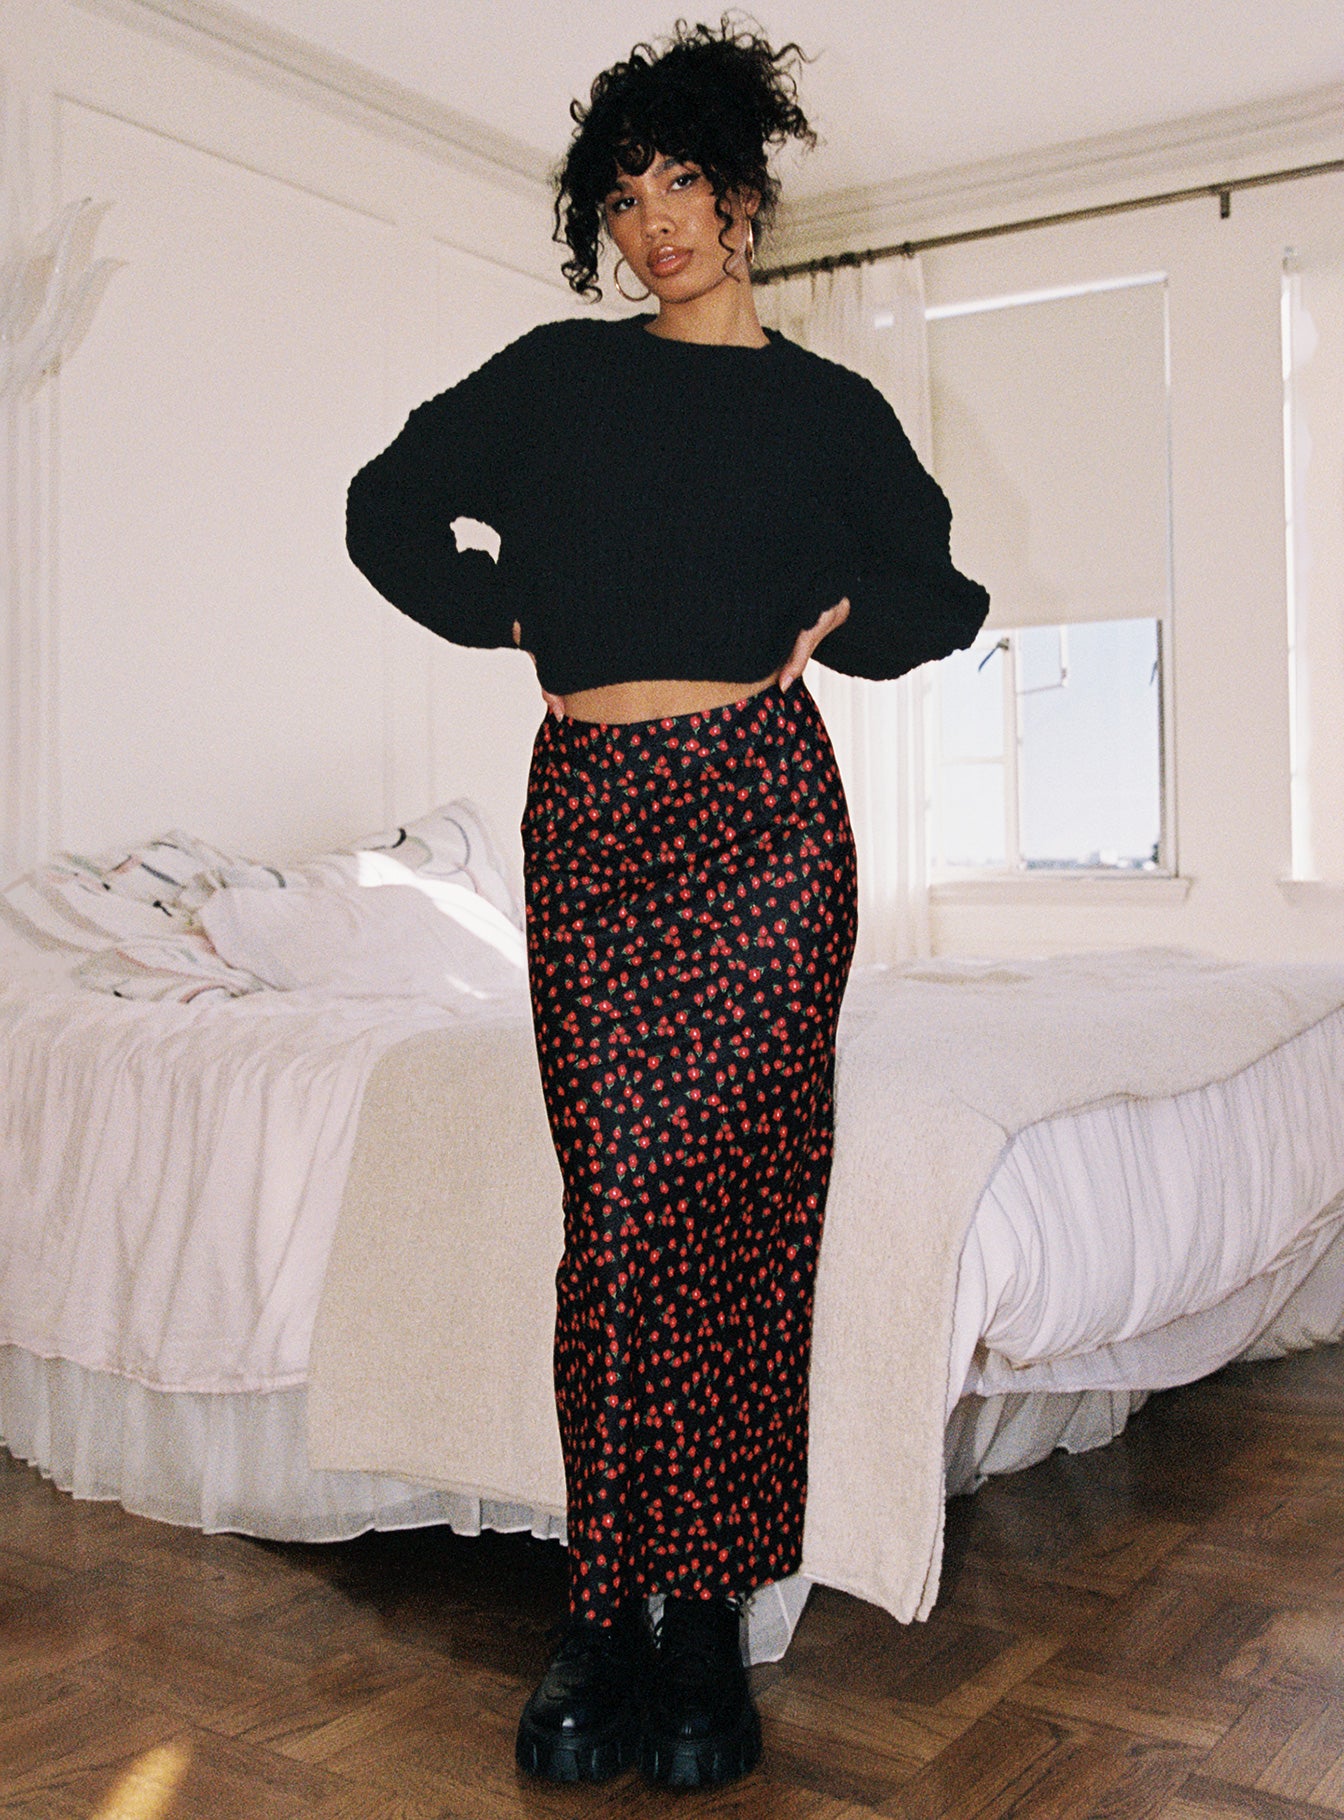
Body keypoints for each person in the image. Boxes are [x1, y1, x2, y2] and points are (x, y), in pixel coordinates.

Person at [345, 17, 989, 1793]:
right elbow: (387, 508)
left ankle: (698, 1616)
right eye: (624, 201)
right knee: (621, 1211)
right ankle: (600, 1607)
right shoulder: (557, 381)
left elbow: (942, 595)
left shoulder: (828, 411)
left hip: (765, 822)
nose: (658, 225)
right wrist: (510, 615)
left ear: (746, 195)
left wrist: (840, 618)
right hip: (595, 824)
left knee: (743, 1212)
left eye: (684, 184)